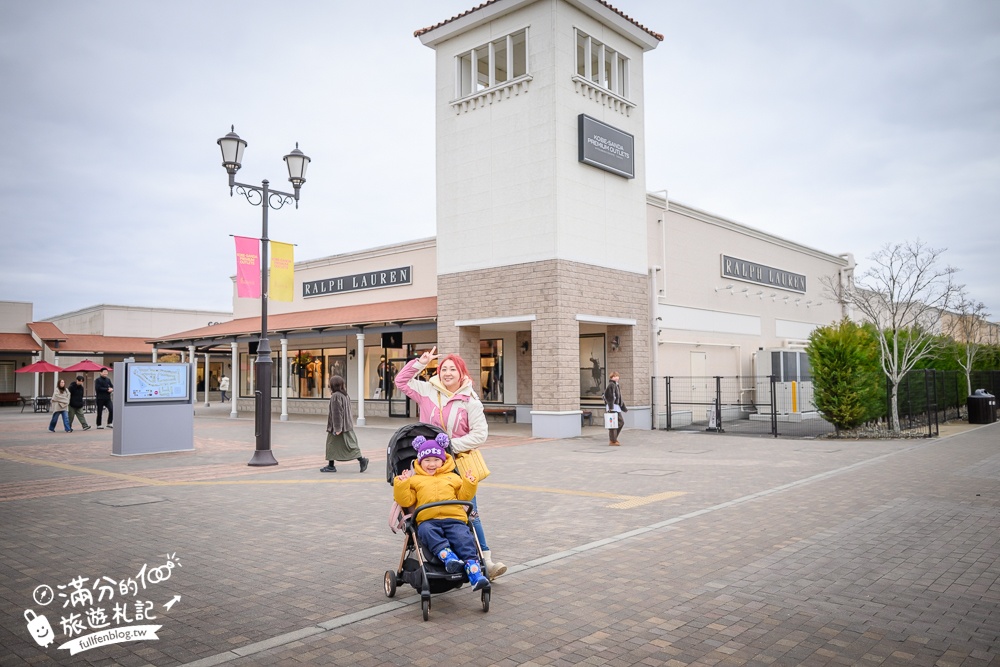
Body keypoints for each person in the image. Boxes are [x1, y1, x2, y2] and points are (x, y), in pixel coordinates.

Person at [395, 346, 507, 579]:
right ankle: (438, 552)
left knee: (469, 511)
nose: (447, 373)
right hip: (428, 463)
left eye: (452, 369)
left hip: (459, 463)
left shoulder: (470, 400)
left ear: (461, 373)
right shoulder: (426, 390)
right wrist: (420, 363)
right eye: (443, 368)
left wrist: (450, 446)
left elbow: (480, 434)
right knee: (424, 508)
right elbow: (401, 381)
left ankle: (485, 559)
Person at [393, 433, 490, 592]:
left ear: (443, 460)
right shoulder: (415, 480)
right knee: (425, 531)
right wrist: (401, 484)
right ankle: (449, 557)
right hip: (428, 520)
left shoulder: (453, 477)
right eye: (427, 460)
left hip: (454, 518)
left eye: (436, 460)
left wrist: (469, 483)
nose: (432, 464)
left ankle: (474, 572)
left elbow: (464, 496)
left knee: (464, 536)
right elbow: (406, 501)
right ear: (419, 461)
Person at [321, 375, 369, 473]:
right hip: (347, 426)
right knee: (348, 445)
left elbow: (337, 413)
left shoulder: (335, 396)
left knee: (332, 445)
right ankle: (331, 465)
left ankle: (361, 460)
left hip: (338, 427)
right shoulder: (345, 395)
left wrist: (337, 428)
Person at [604, 371, 628, 446]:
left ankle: (613, 439)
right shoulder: (611, 385)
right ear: (611, 378)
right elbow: (608, 396)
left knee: (620, 422)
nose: (616, 377)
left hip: (616, 407)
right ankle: (613, 440)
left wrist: (623, 407)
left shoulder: (616, 385)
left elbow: (619, 398)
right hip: (612, 407)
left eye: (617, 376)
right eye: (614, 376)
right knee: (613, 424)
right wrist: (611, 407)